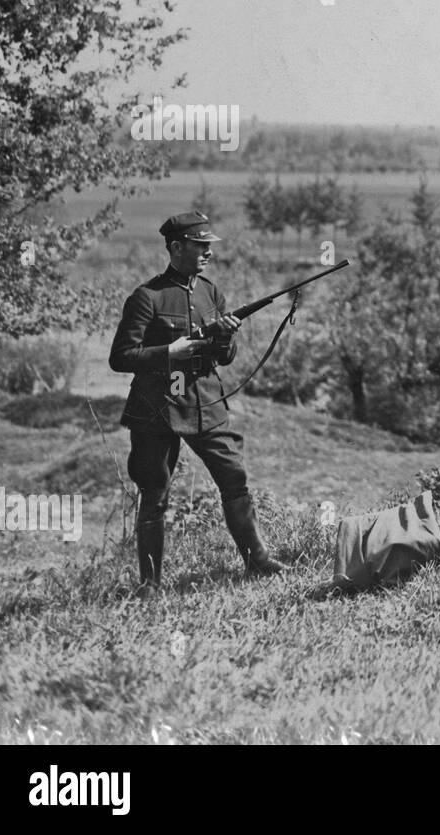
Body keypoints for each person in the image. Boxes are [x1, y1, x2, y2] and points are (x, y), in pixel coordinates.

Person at [109, 211, 289, 595]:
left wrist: (225, 338)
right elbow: (121, 356)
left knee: (233, 477)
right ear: (176, 248)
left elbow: (225, 357)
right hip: (157, 407)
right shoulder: (148, 296)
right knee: (154, 492)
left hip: (205, 402)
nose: (207, 252)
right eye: (199, 246)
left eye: (209, 246)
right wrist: (169, 351)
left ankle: (257, 560)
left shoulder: (210, 292)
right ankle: (150, 584)